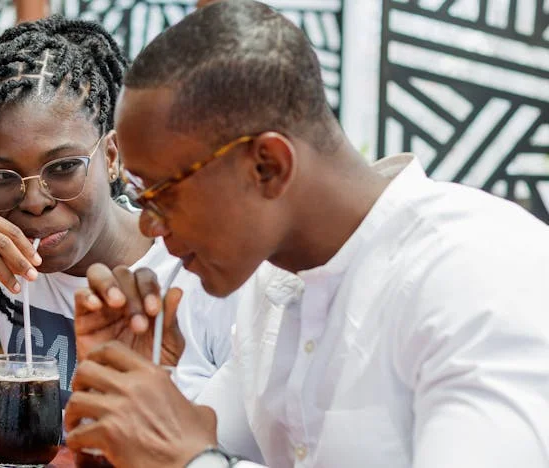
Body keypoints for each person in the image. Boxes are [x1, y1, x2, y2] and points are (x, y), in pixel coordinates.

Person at [64, 1, 549, 467]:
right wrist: (132, 392)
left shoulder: (478, 273)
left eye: (161, 192)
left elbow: (193, 456)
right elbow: (192, 444)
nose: (148, 224)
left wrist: (190, 461)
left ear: (267, 165)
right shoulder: (271, 285)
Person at [0, 16, 236, 426]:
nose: (34, 201)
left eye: (64, 167)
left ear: (110, 157)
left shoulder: (194, 275)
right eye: (1, 177)